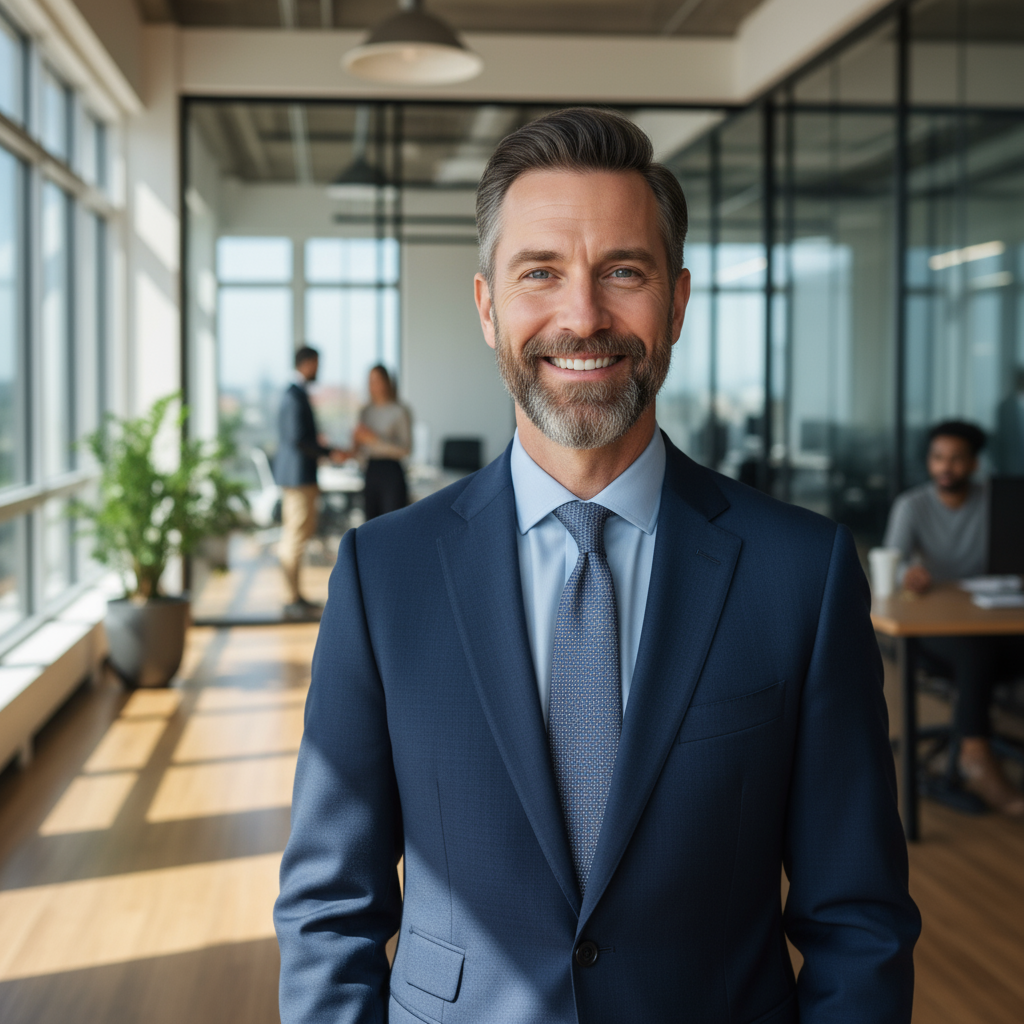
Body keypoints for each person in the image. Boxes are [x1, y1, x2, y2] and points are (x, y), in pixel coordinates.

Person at [276, 109, 919, 1023]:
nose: (582, 316)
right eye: (540, 272)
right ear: (488, 305)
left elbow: (859, 920)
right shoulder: (384, 575)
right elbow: (329, 912)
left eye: (624, 271)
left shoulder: (800, 574)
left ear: (679, 302)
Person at [884, 420, 1024, 815]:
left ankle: (972, 740)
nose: (946, 467)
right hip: (935, 630)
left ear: (975, 464)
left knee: (984, 646)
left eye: (957, 459)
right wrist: (906, 574)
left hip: (994, 617)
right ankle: (975, 754)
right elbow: (891, 562)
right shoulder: (913, 505)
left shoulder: (997, 503)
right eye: (938, 458)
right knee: (974, 651)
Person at [274, 345, 342, 621]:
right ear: (307, 363)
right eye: (316, 364)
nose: (319, 370)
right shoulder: (294, 395)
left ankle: (295, 595)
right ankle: (291, 598)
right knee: (295, 535)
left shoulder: (296, 394)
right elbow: (298, 439)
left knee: (298, 533)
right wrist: (327, 452)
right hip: (298, 476)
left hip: (301, 475)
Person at [351, 364, 412, 520]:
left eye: (378, 380)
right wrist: (355, 442)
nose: (374, 385)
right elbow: (358, 449)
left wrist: (375, 439)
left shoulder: (400, 411)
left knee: (392, 524)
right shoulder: (365, 412)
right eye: (371, 380)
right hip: (371, 470)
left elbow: (406, 449)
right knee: (370, 524)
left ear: (387, 382)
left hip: (391, 472)